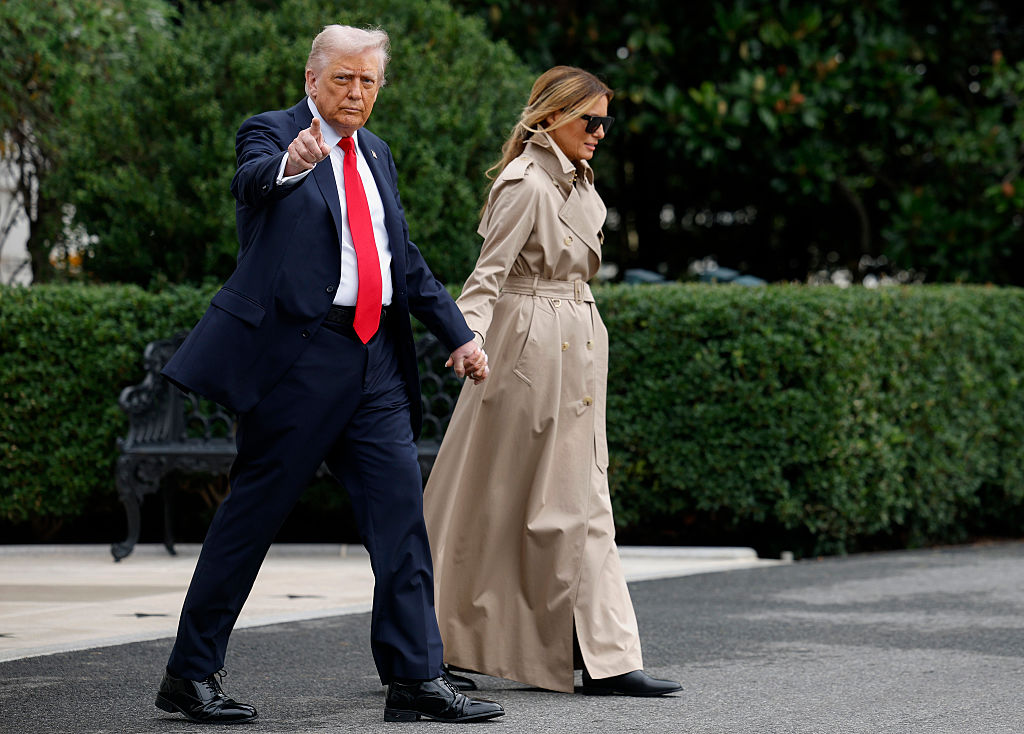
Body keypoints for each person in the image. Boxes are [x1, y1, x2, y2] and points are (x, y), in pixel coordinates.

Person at [153, 25, 503, 724]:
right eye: (344, 78)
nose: (357, 93)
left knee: (402, 520)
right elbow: (252, 182)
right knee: (250, 521)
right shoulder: (273, 132)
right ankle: (189, 676)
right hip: (299, 362)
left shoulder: (376, 152)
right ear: (312, 78)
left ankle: (414, 679)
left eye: (369, 81)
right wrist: (292, 163)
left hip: (373, 362)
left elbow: (402, 259)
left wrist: (460, 335)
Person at [423, 66, 682, 697]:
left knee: (584, 495)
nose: (598, 133)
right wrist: (470, 337)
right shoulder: (525, 184)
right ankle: (441, 641)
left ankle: (609, 655)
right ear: (550, 119)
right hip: (527, 349)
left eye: (605, 122)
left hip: (575, 341)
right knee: (501, 500)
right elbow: (488, 276)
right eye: (587, 120)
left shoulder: (574, 180)